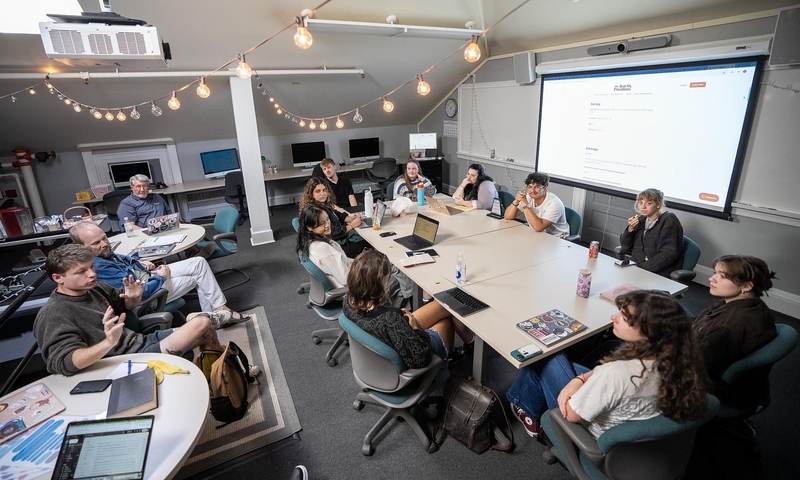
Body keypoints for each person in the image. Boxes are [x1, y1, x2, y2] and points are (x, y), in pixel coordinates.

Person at [506, 291, 707, 438]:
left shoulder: (614, 374)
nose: (614, 317)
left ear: (649, 332)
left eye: (625, 317)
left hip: (589, 432)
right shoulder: (678, 359)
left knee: (545, 357)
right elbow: (610, 370)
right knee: (610, 345)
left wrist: (575, 384)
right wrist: (581, 378)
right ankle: (528, 398)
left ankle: (527, 410)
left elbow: (571, 414)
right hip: (627, 412)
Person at [32, 244, 233, 376]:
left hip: (139, 341)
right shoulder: (54, 313)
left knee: (206, 331)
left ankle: (220, 377)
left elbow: (126, 307)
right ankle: (214, 326)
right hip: (122, 361)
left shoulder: (95, 288)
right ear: (58, 278)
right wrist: (108, 342)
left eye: (92, 267)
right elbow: (64, 363)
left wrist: (133, 298)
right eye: (82, 271)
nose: (92, 274)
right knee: (201, 323)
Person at [69, 222, 250, 321]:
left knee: (199, 263)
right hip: (150, 294)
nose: (104, 244)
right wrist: (161, 277)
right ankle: (219, 315)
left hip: (149, 276)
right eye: (96, 243)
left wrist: (141, 263)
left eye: (104, 238)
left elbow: (124, 259)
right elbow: (139, 293)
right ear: (81, 247)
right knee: (199, 276)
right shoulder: (98, 267)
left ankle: (219, 311)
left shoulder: (105, 254)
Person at [342, 250, 474, 369]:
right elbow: (420, 358)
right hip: (409, 346)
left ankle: (468, 345)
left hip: (388, 336)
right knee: (446, 321)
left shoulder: (349, 300)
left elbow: (384, 321)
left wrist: (399, 316)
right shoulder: (390, 319)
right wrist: (416, 329)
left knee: (442, 305)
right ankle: (458, 354)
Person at [692, 255, 778, 402]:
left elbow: (693, 366)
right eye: (715, 273)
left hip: (715, 387)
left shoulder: (728, 327)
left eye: (723, 276)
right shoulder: (750, 303)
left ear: (746, 286)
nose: (711, 279)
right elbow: (700, 322)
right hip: (744, 384)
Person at [296, 204, 412, 306]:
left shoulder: (312, 242)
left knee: (389, 266)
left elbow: (344, 262)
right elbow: (346, 279)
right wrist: (368, 272)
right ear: (310, 227)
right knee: (397, 278)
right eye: (322, 223)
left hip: (351, 276)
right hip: (352, 290)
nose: (327, 225)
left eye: (327, 219)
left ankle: (405, 306)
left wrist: (364, 262)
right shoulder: (323, 249)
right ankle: (402, 310)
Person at [116, 174, 213, 258]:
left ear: (148, 187)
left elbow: (170, 215)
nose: (142, 189)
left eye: (145, 186)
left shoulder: (157, 197)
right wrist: (148, 233)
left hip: (165, 229)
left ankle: (194, 254)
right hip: (146, 235)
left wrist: (179, 224)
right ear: (132, 187)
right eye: (138, 186)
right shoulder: (127, 204)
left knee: (186, 232)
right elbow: (130, 226)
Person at [618, 188, 683, 276]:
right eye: (641, 202)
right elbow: (625, 246)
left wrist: (641, 268)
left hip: (657, 272)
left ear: (658, 205)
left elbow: (668, 254)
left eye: (648, 203)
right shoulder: (641, 220)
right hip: (636, 268)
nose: (643, 207)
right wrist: (630, 229)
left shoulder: (669, 220)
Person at [298, 177, 368, 258]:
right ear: (311, 194)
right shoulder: (315, 211)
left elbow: (336, 214)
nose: (322, 193)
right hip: (333, 243)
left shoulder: (323, 204)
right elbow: (332, 232)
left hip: (336, 238)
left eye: (324, 190)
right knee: (367, 241)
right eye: (318, 191)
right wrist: (352, 225)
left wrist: (351, 219)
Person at [504, 172, 569, 237]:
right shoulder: (529, 197)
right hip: (537, 234)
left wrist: (525, 205)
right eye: (530, 187)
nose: (532, 191)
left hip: (557, 238)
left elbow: (538, 227)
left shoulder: (555, 204)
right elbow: (508, 216)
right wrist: (516, 201)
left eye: (537, 187)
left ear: (545, 188)